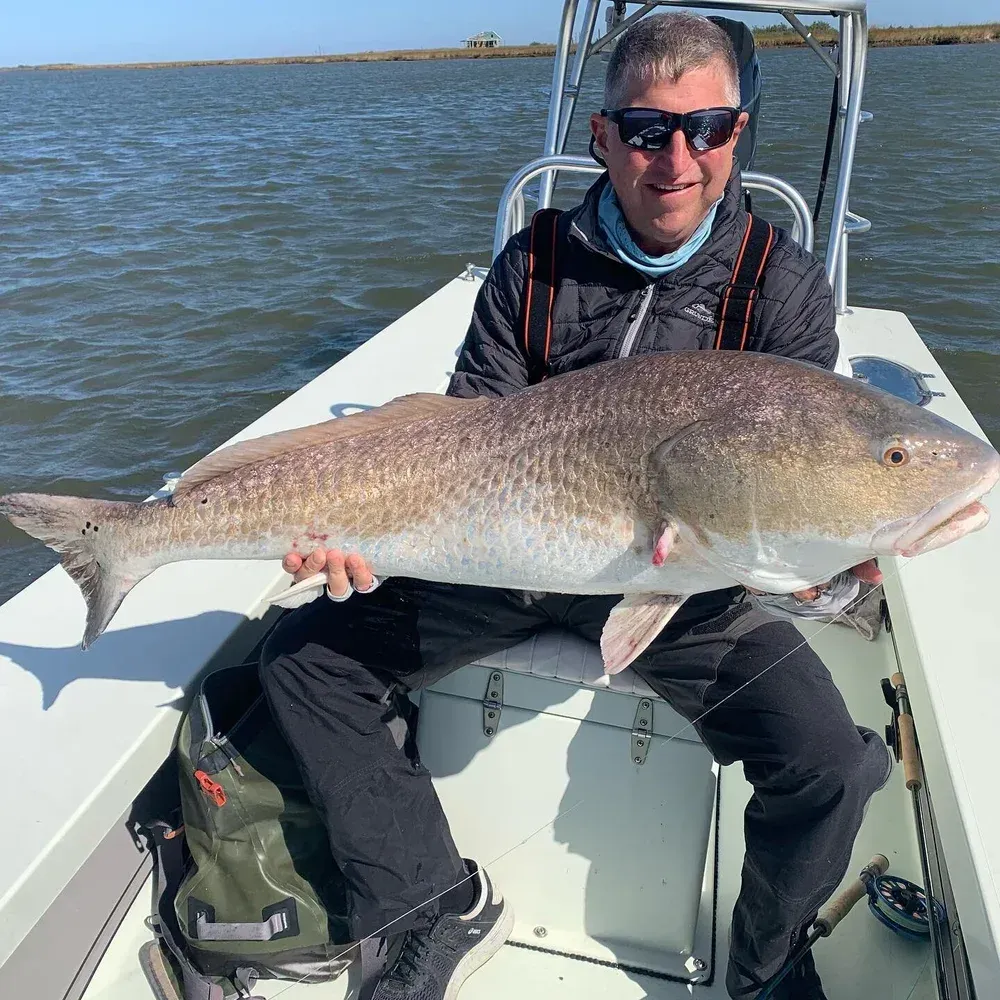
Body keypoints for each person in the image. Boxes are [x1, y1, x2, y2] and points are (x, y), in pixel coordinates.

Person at [260, 13, 891, 1000]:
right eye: (646, 130)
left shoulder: (783, 287)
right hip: (505, 557)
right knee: (301, 663)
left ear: (739, 132)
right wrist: (366, 537)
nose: (676, 159)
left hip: (682, 576)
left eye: (708, 128)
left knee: (830, 767)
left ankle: (764, 969)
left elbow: (792, 473)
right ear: (602, 136)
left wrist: (819, 549)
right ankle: (428, 903)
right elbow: (464, 436)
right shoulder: (532, 261)